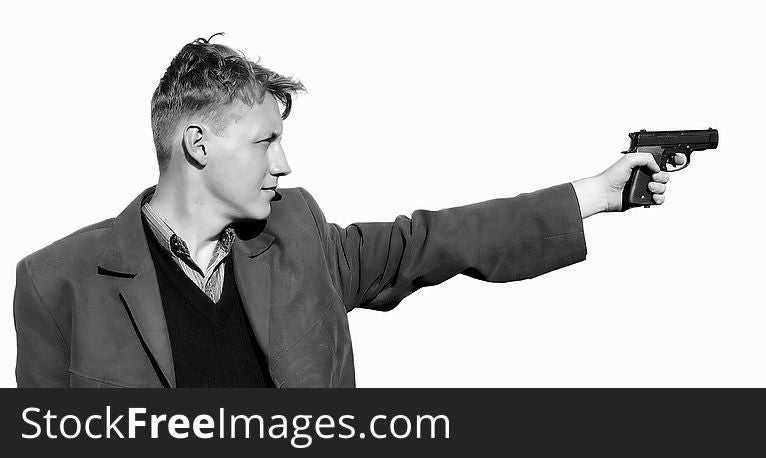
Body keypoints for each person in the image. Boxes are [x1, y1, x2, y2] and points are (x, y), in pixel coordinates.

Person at [13, 35, 674, 388]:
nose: (285, 165)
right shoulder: (56, 283)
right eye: (266, 141)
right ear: (198, 144)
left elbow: (432, 242)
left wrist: (598, 193)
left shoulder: (298, 235)